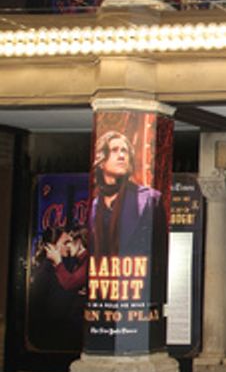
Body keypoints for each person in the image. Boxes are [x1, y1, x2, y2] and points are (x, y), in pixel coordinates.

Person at [89, 130, 163, 259]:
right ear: (101, 162)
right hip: (105, 276)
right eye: (114, 150)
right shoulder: (95, 205)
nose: (121, 156)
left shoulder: (149, 199)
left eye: (125, 151)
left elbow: (160, 254)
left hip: (137, 276)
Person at [26, 227, 87, 351]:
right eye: (65, 243)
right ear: (50, 248)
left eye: (70, 241)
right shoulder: (45, 271)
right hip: (53, 332)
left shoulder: (70, 263)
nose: (69, 245)